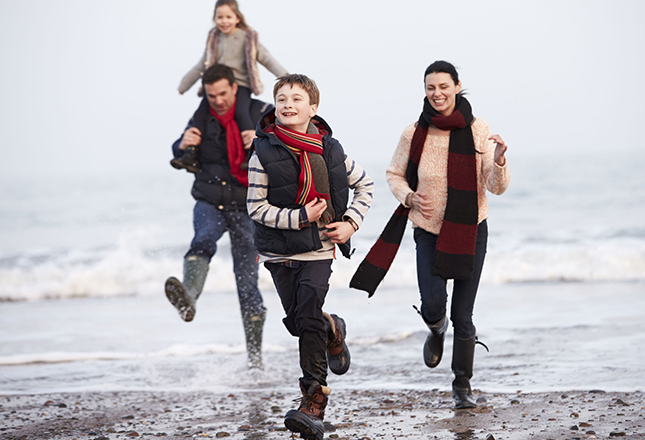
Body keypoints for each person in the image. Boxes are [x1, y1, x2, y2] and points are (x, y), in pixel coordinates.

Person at [351, 60, 510, 409]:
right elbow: (394, 173)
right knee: (434, 304)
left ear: (457, 86)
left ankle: (462, 386)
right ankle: (436, 332)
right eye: (430, 88)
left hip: (472, 230)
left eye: (443, 86)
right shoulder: (414, 133)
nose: (437, 94)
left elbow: (495, 188)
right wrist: (408, 195)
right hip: (427, 230)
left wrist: (498, 161)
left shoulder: (478, 129)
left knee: (463, 315)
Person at [247, 74, 374, 440]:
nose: (288, 104)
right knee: (301, 321)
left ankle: (314, 401)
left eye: (297, 99)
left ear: (312, 108)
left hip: (318, 249)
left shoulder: (331, 150)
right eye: (282, 98)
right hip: (276, 250)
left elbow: (365, 185)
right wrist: (300, 217)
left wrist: (350, 222)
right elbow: (255, 207)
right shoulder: (263, 152)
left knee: (305, 315)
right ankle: (333, 329)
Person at [166, 63, 271, 370]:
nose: (218, 100)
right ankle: (189, 297)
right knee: (202, 239)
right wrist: (181, 143)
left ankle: (255, 360)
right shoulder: (202, 118)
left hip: (248, 207)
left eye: (223, 93)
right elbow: (179, 148)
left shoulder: (257, 112)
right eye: (211, 95)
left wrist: (261, 140)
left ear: (234, 88)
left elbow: (286, 145)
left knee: (247, 283)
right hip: (209, 199)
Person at [172, 0, 287, 172]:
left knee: (242, 114)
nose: (224, 21)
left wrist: (286, 77)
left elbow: (267, 59)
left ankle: (251, 152)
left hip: (240, 84)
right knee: (199, 115)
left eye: (228, 17)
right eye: (220, 17)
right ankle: (191, 154)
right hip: (215, 83)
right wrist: (183, 86)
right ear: (214, 19)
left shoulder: (247, 38)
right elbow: (201, 65)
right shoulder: (214, 40)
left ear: (237, 18)